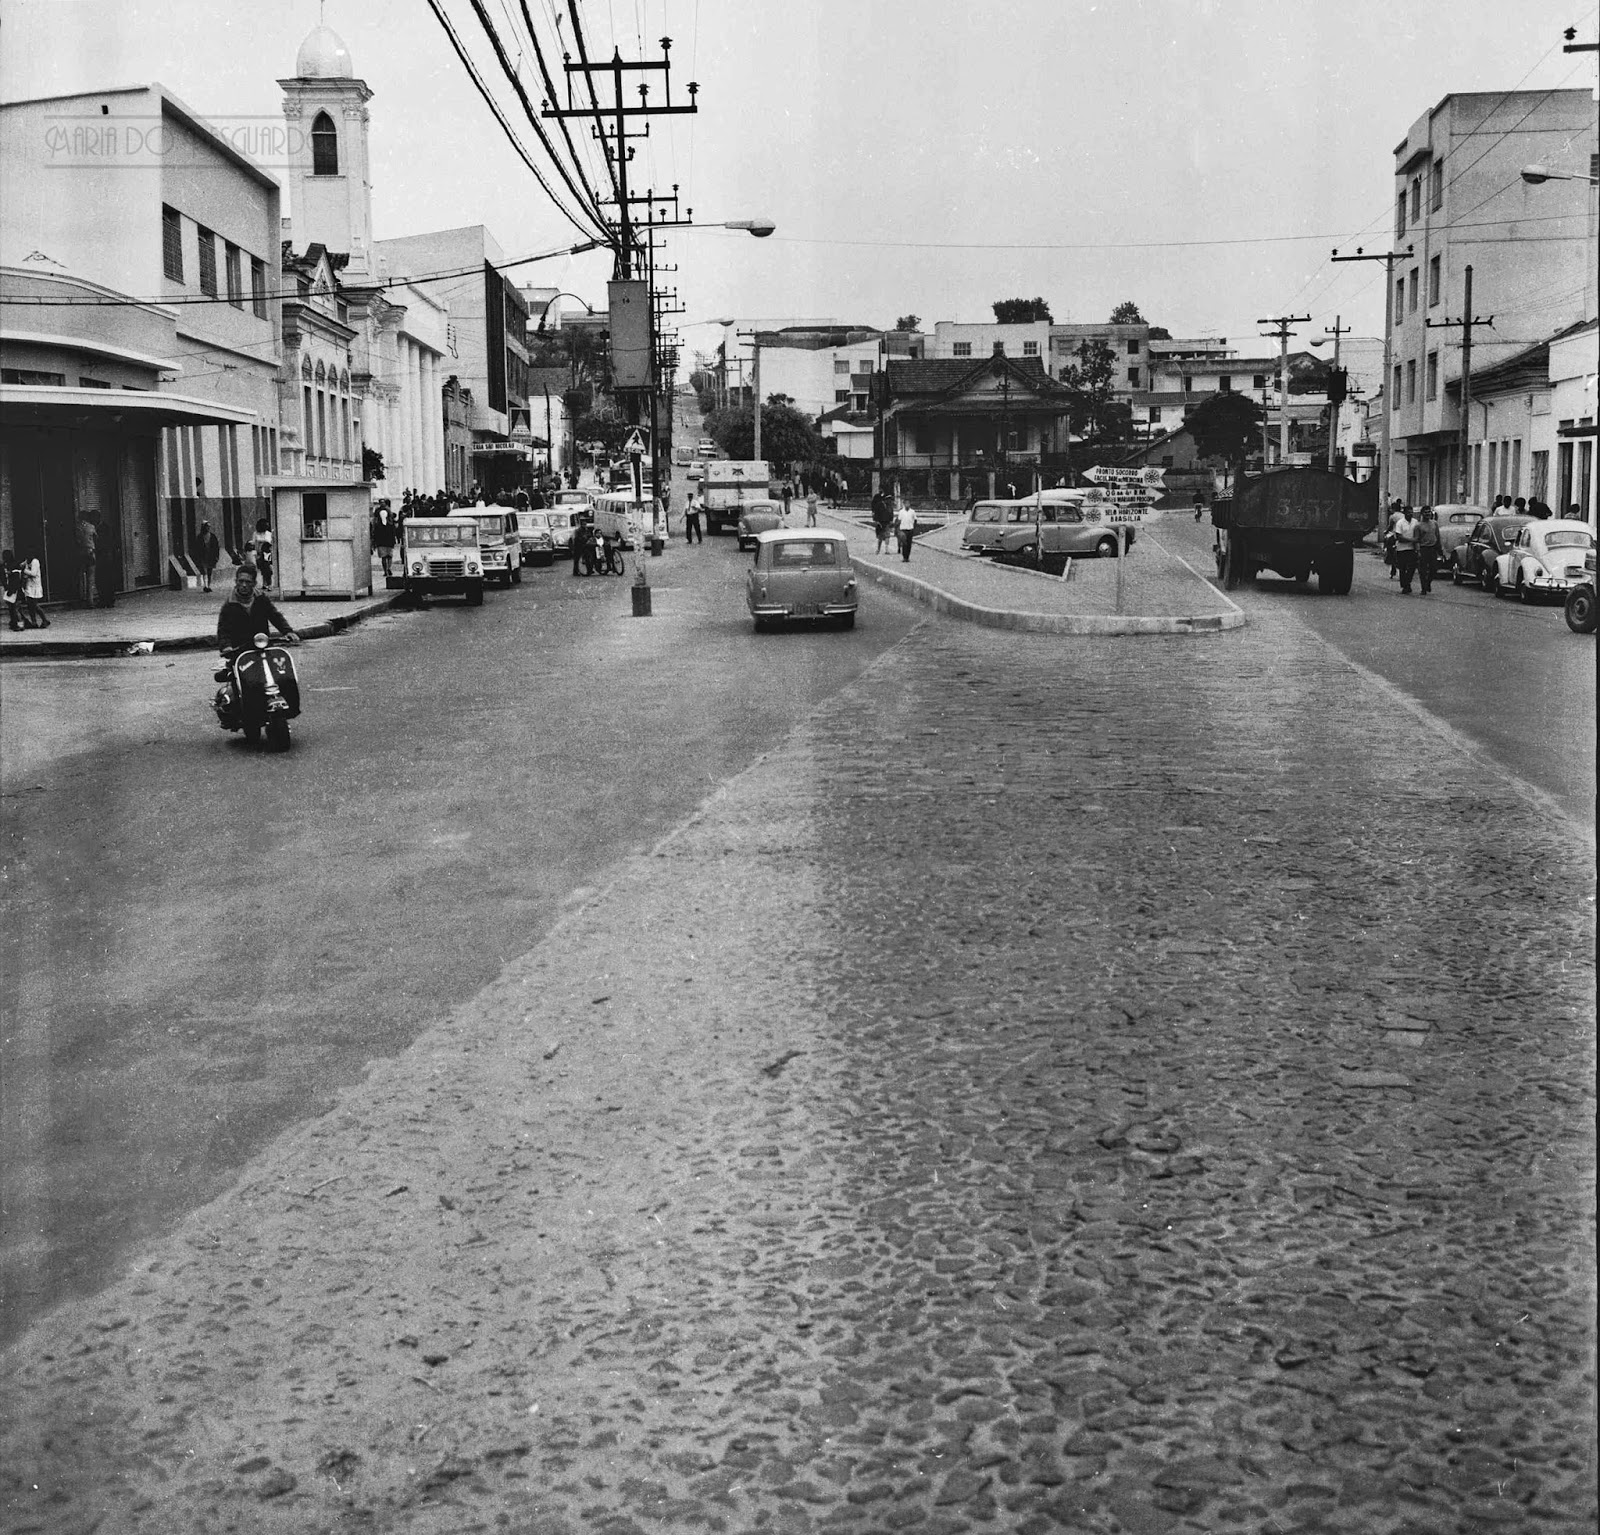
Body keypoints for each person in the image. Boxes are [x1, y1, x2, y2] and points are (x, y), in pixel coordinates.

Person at [216, 562, 298, 654]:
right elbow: (223, 629)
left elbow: (275, 616)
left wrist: (288, 631)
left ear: (254, 583)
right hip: (240, 651)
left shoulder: (261, 599)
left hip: (262, 646)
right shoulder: (229, 605)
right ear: (236, 582)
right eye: (241, 581)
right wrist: (226, 646)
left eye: (248, 582)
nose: (244, 585)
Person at [1390, 504, 1418, 593]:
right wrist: (1411, 540)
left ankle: (1407, 583)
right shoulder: (1400, 523)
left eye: (1411, 512)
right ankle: (1405, 585)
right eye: (1408, 513)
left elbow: (1417, 535)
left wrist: (1415, 543)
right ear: (1404, 513)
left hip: (1412, 549)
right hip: (1401, 549)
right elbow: (1399, 537)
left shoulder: (1415, 522)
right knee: (1402, 568)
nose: (1410, 514)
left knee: (1411, 568)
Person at [17, 552, 48, 628]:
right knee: (30, 605)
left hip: (35, 586)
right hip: (28, 586)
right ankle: (34, 622)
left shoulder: (35, 562)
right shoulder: (27, 561)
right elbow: (21, 565)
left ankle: (44, 620)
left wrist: (24, 570)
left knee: (34, 605)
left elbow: (33, 573)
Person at [1415, 506, 1440, 594]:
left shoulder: (1434, 523)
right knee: (1423, 570)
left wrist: (1439, 549)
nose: (1427, 514)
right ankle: (1423, 588)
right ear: (1422, 514)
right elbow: (1417, 539)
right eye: (1425, 512)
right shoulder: (1418, 525)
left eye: (1429, 512)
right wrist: (1418, 551)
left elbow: (1437, 536)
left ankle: (1428, 582)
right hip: (1423, 549)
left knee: (1434, 569)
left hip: (1432, 548)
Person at [190, 520, 220, 592]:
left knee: (209, 572)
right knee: (204, 571)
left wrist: (216, 556)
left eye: (209, 527)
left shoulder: (213, 537)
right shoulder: (199, 537)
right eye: (207, 526)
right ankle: (205, 586)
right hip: (202, 557)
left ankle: (208, 586)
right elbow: (196, 548)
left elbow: (216, 547)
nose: (208, 528)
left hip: (211, 557)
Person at [76, 510, 98, 604]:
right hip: (91, 552)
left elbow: (77, 540)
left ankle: (81, 597)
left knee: (81, 576)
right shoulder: (91, 527)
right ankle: (90, 600)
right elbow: (96, 537)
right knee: (90, 577)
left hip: (81, 553)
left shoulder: (77, 527)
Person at [251, 517, 274, 589]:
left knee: (268, 569)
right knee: (262, 569)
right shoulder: (255, 533)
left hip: (267, 553)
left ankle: (269, 584)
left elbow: (270, 543)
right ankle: (264, 583)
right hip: (259, 553)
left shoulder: (268, 533)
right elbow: (253, 543)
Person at [894, 499, 918, 563]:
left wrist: (914, 528)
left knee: (909, 544)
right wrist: (896, 528)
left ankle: (907, 557)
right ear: (904, 504)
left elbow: (915, 519)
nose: (907, 505)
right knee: (904, 543)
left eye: (908, 503)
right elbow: (899, 520)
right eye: (906, 503)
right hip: (903, 529)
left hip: (910, 529)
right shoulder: (901, 512)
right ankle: (904, 557)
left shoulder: (912, 511)